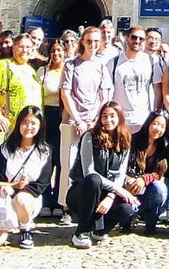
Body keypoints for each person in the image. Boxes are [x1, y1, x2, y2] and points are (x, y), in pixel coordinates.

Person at [0, 106, 53, 251]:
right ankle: (9, 225)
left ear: (40, 126)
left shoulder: (44, 151)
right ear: (19, 124)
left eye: (33, 123)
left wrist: (22, 189)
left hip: (29, 199)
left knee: (21, 199)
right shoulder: (6, 149)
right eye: (25, 123)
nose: (29, 127)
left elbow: (42, 183)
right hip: (4, 197)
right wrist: (14, 185)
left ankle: (25, 229)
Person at [68, 101, 139, 248]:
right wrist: (118, 189)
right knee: (94, 180)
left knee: (127, 207)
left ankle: (99, 230)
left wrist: (111, 196)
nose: (108, 120)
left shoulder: (125, 140)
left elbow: (120, 174)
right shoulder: (89, 137)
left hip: (106, 192)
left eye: (112, 116)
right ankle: (81, 232)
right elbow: (89, 172)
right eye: (104, 116)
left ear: (119, 117)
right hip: (83, 191)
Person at [58, 26, 110, 224]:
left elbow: (103, 95)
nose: (93, 45)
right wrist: (78, 119)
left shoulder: (101, 66)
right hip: (73, 121)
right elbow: (66, 93)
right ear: (83, 42)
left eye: (96, 41)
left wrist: (95, 120)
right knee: (69, 165)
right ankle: (65, 206)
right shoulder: (71, 65)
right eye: (89, 41)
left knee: (88, 166)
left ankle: (83, 205)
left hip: (93, 122)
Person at [0, 33, 43, 167]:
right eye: (21, 47)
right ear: (14, 48)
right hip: (8, 126)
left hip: (27, 129)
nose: (25, 50)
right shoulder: (3, 65)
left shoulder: (31, 70)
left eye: (28, 47)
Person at [122, 109, 169, 235]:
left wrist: (144, 179)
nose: (158, 129)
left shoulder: (164, 147)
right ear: (148, 123)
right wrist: (130, 179)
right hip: (129, 185)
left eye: (162, 126)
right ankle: (126, 219)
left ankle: (151, 222)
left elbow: (159, 174)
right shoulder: (133, 141)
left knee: (160, 188)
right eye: (155, 124)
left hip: (148, 188)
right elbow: (123, 167)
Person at [108, 25, 157, 133]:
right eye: (134, 37)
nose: (137, 41)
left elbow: (157, 91)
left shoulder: (151, 62)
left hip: (143, 119)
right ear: (127, 39)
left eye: (141, 39)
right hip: (120, 119)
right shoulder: (113, 63)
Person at [40, 37, 67, 214]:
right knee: (45, 159)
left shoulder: (69, 69)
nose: (56, 54)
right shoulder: (43, 71)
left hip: (63, 115)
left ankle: (59, 199)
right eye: (53, 51)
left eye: (59, 51)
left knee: (61, 159)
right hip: (46, 116)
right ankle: (45, 198)